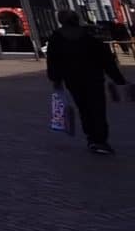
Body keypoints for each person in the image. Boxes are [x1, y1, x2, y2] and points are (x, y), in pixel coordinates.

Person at [46, 12, 125, 156]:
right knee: (98, 108)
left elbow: (53, 60)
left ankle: (91, 137)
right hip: (93, 77)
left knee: (84, 108)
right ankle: (100, 139)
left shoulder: (56, 37)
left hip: (73, 79)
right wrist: (117, 78)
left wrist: (56, 79)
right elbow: (105, 58)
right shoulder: (89, 35)